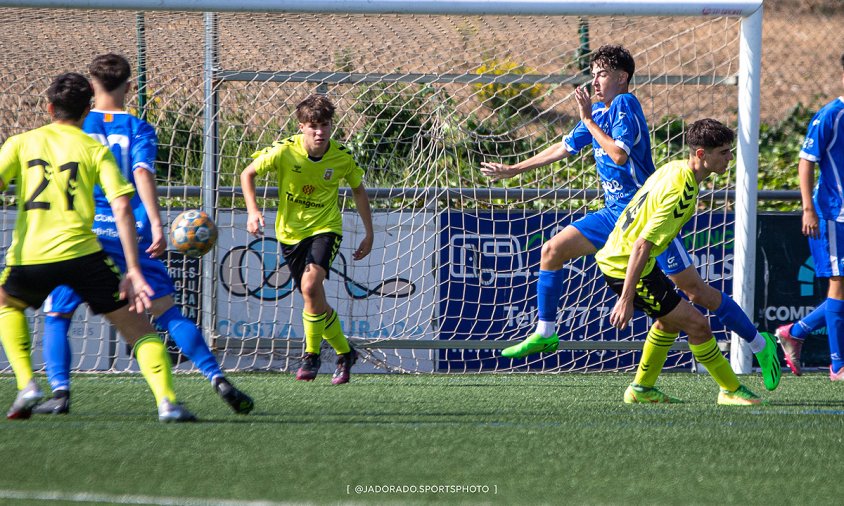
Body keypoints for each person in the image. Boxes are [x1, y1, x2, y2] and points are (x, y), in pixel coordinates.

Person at [480, 45, 779, 391]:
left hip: (647, 218)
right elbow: (563, 148)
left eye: (601, 74)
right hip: (614, 216)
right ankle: (546, 333)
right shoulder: (599, 114)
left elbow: (620, 156)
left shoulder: (624, 104)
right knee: (551, 251)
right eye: (591, 74)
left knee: (695, 293)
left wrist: (588, 120)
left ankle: (760, 344)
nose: (594, 80)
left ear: (622, 78)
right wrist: (513, 168)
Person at [32, 55, 253, 416]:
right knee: (165, 311)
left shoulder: (75, 126)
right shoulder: (139, 128)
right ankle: (216, 377)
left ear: (91, 87)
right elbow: (142, 172)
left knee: (58, 313)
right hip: (129, 230)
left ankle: (60, 393)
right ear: (129, 87)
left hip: (81, 232)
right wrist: (155, 222)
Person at [0, 72, 195, 421]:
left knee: (6, 305)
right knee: (139, 329)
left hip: (31, 256)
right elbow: (121, 205)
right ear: (87, 109)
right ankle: (167, 402)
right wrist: (133, 269)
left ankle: (28, 382)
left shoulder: (21, 143)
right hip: (85, 255)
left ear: (49, 108)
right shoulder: (94, 149)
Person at [596, 118, 764, 404]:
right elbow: (642, 244)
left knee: (669, 322)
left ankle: (642, 388)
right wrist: (626, 297)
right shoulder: (681, 192)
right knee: (698, 325)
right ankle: (730, 390)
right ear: (702, 154)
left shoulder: (674, 168)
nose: (730, 158)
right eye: (723, 152)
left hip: (631, 261)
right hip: (626, 265)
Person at [240, 94, 374, 384]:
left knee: (311, 285)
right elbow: (247, 174)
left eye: (325, 125)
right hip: (289, 234)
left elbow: (359, 190)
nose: (319, 132)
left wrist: (369, 232)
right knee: (313, 299)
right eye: (313, 125)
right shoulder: (284, 151)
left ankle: (311, 355)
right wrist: (252, 211)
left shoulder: (341, 156)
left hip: (325, 228)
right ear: (300, 126)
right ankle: (344, 352)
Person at [777, 52, 844, 380]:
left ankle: (795, 331)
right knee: (839, 283)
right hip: (834, 215)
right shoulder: (830, 115)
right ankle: (838, 365)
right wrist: (808, 209)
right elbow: (806, 161)